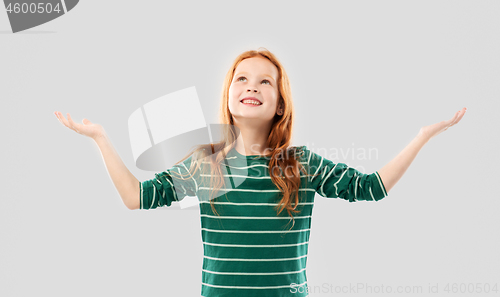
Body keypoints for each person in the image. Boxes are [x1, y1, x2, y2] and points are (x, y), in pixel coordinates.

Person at [54, 47, 467, 297]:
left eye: (265, 82)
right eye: (242, 78)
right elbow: (136, 198)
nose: (251, 86)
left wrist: (422, 136)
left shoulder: (300, 163)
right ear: (230, 94)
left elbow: (370, 188)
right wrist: (101, 139)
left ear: (280, 103)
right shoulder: (205, 162)